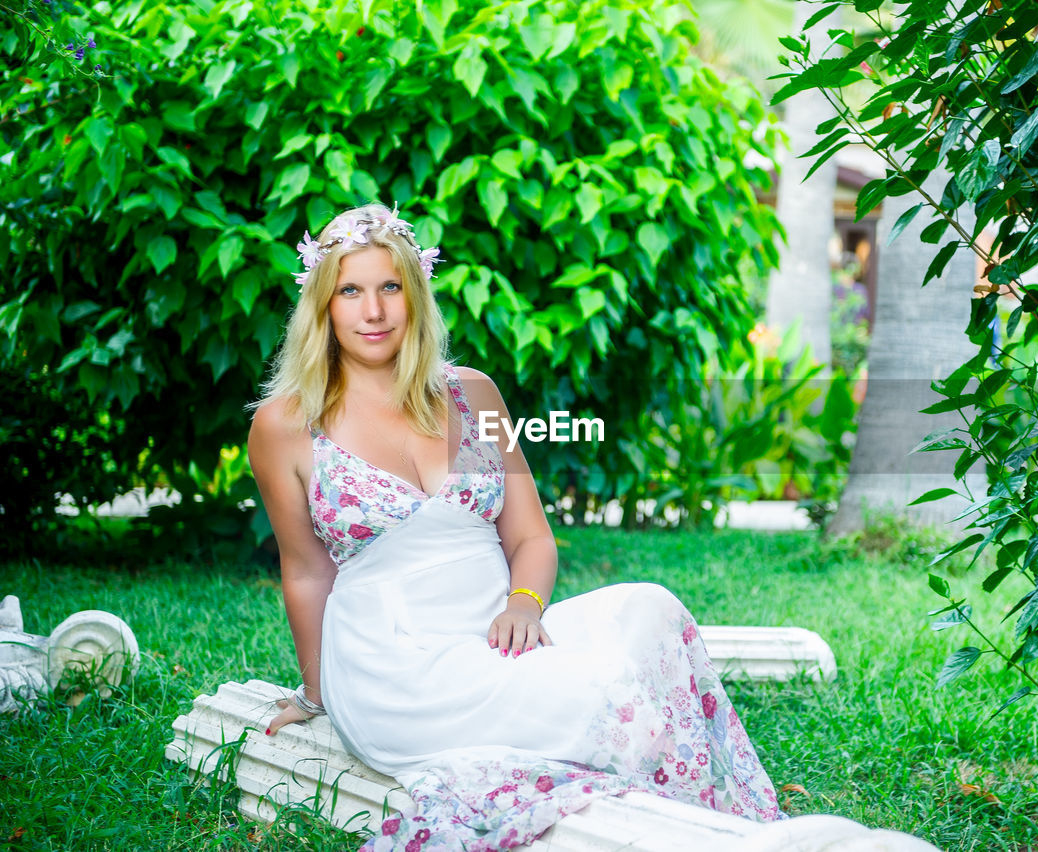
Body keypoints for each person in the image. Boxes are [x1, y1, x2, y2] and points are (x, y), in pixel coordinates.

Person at [247, 202, 783, 851]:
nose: (374, 311)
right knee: (618, 702)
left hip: (505, 637)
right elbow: (305, 569)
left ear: (415, 293)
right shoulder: (286, 425)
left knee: (654, 610)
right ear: (323, 305)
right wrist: (315, 693)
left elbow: (530, 537)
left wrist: (525, 604)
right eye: (350, 291)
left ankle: (720, 817)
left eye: (390, 286)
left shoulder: (475, 397)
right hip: (400, 670)